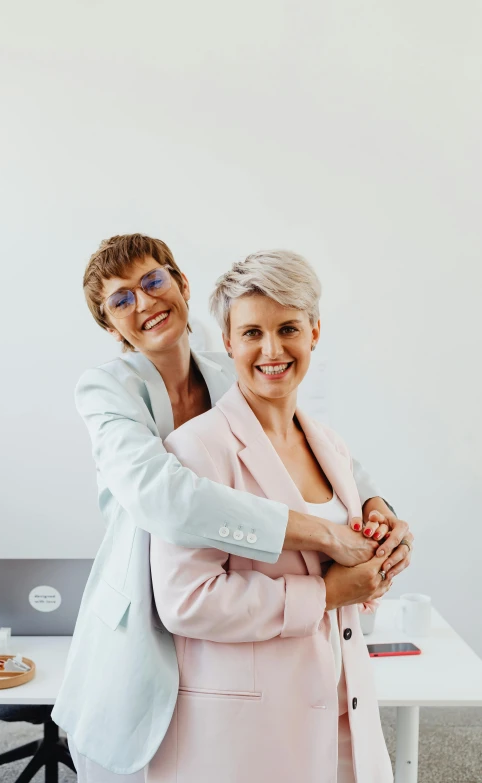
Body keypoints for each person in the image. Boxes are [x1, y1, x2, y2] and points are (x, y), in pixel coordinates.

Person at [52, 234, 413, 779]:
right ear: (109, 326)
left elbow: (322, 450)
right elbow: (167, 500)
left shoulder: (235, 368)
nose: (145, 303)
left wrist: (376, 507)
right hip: (149, 610)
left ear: (181, 283)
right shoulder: (107, 390)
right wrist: (321, 537)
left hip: (262, 650)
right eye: (121, 300)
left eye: (153, 281)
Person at [147, 250, 396, 782]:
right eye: (253, 333)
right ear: (229, 342)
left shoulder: (329, 444)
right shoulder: (198, 448)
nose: (272, 349)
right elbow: (186, 602)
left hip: (342, 703)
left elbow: (342, 566)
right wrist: (325, 595)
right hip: (250, 726)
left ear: (314, 333)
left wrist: (380, 556)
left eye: (288, 328)